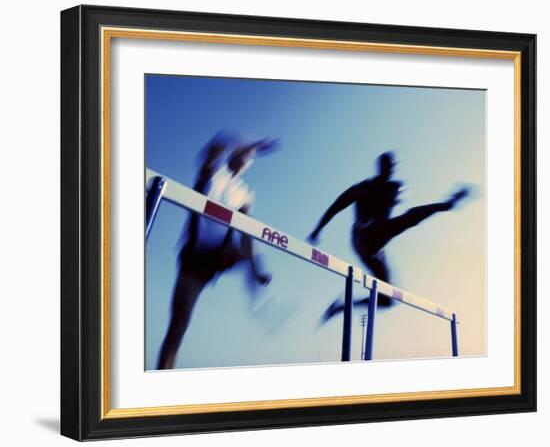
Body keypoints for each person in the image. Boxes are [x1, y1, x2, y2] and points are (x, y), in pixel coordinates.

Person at [156, 132, 277, 369]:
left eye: (249, 157)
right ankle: (163, 376)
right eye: (243, 153)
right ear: (234, 153)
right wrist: (252, 144)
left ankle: (258, 296)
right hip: (194, 258)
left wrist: (257, 268)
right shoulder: (214, 172)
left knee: (248, 243)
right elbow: (216, 144)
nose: (245, 158)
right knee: (178, 326)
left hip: (220, 256)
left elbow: (247, 232)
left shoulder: (245, 193)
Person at [307, 151, 469, 322]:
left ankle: (341, 307)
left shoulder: (395, 187)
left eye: (393, 167)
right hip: (363, 237)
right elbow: (336, 207)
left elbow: (406, 205)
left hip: (376, 249)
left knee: (387, 300)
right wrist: (318, 229)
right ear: (381, 167)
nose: (391, 171)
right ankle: (447, 204)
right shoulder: (362, 188)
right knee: (405, 219)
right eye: (388, 167)